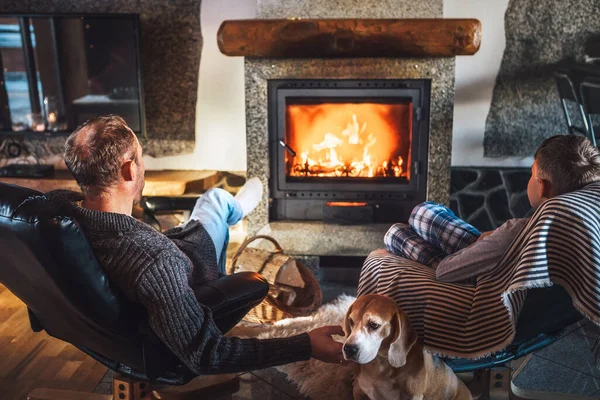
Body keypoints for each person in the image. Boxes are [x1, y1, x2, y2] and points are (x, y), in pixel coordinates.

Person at [48, 114, 344, 375]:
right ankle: (234, 210)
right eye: (141, 158)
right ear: (128, 171)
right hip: (191, 272)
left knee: (208, 205)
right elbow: (207, 355)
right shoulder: (154, 261)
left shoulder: (56, 212)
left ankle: (232, 209)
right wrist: (306, 345)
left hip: (165, 253)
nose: (143, 166)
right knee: (213, 202)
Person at [385, 134, 600, 283]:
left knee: (398, 231)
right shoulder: (585, 219)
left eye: (531, 174)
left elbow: (444, 272)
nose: (530, 180)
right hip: (499, 256)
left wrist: (479, 246)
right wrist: (487, 240)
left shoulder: (516, 233)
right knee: (422, 214)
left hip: (480, 273)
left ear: (542, 186)